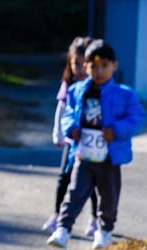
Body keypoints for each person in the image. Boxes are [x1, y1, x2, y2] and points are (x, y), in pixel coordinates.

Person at [48, 39, 145, 250]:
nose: (99, 71)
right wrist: (70, 128)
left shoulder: (124, 94)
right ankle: (63, 230)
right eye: (93, 65)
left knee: (108, 196)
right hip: (83, 154)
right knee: (74, 192)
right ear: (85, 67)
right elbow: (69, 115)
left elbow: (136, 119)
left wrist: (117, 130)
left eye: (104, 66)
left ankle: (104, 232)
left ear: (114, 66)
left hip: (108, 157)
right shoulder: (76, 91)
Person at [43, 36, 100, 238]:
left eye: (83, 64)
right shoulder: (68, 84)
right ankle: (57, 215)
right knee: (64, 178)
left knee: (91, 182)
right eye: (75, 63)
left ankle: (95, 219)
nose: (79, 69)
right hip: (71, 140)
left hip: (88, 143)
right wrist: (57, 132)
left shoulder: (96, 87)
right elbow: (62, 107)